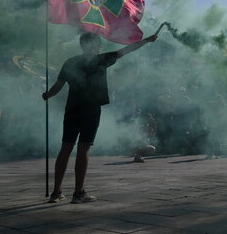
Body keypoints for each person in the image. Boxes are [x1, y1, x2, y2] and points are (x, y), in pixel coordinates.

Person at [43, 31, 157, 203]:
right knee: (83, 149)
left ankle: (56, 192)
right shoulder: (101, 59)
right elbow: (127, 50)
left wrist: (47, 95)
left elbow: (58, 86)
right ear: (97, 45)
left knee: (65, 148)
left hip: (72, 109)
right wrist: (147, 40)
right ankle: (78, 193)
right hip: (91, 109)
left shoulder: (71, 62)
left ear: (82, 44)